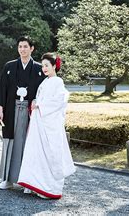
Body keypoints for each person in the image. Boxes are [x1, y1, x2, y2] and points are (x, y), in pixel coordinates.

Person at [17, 52, 76, 199]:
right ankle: (37, 184)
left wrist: (40, 105)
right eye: (43, 65)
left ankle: (50, 187)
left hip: (50, 123)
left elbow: (60, 101)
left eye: (47, 65)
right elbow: (41, 98)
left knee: (51, 153)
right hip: (40, 121)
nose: (44, 68)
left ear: (54, 66)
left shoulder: (57, 82)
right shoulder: (45, 82)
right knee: (37, 152)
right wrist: (35, 102)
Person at [0, 36, 46, 189]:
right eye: (20, 46)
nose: (22, 49)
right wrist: (0, 110)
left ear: (32, 48)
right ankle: (7, 179)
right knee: (10, 142)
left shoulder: (39, 69)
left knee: (29, 144)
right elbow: (2, 89)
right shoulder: (9, 67)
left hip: (30, 112)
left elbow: (44, 92)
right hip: (10, 109)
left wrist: (38, 103)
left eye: (25, 46)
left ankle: (28, 181)